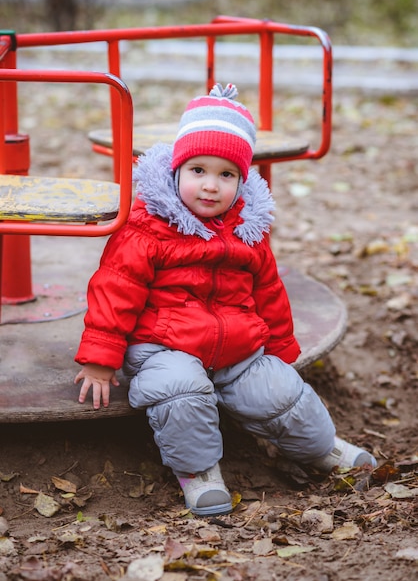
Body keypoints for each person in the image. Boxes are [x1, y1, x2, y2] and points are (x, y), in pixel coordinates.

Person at [74, 83, 377, 517]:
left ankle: (320, 448)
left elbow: (269, 290)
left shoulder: (247, 230)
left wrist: (279, 351)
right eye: (198, 170)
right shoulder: (148, 227)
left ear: (242, 179)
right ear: (176, 169)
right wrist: (101, 357)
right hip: (164, 343)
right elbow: (114, 288)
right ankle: (197, 472)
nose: (211, 186)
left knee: (280, 392)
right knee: (178, 389)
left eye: (226, 174)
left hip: (234, 346)